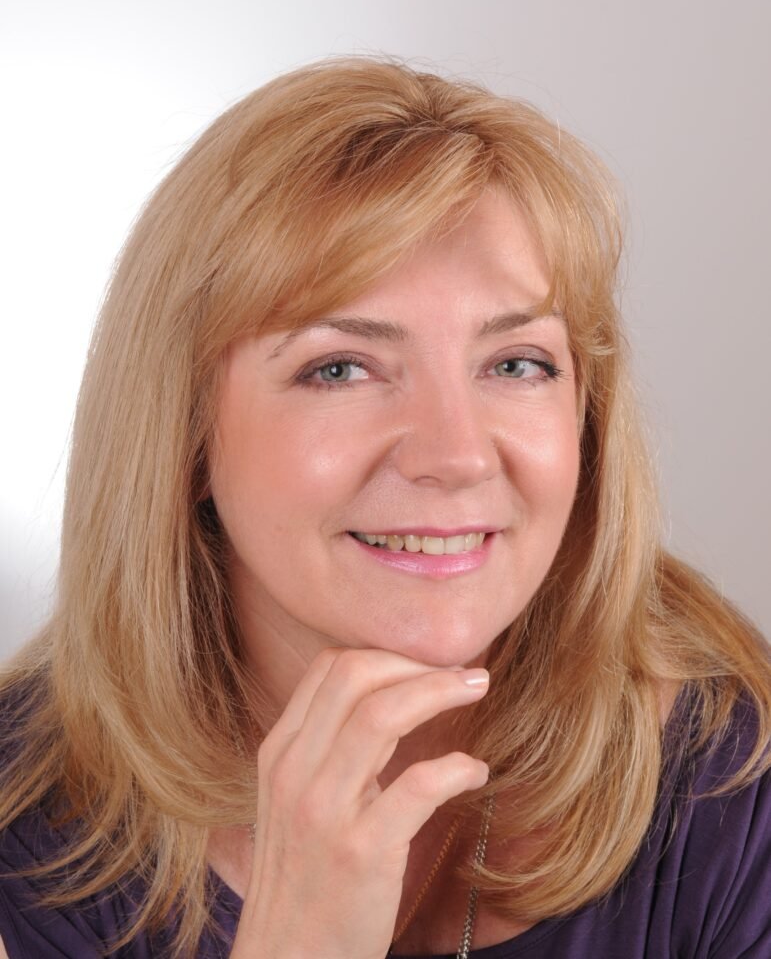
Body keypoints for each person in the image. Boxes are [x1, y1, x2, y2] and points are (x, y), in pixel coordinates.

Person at [0, 57, 769, 959]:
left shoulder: (734, 776)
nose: (455, 454)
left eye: (515, 363)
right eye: (339, 368)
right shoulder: (26, 823)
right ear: (185, 437)